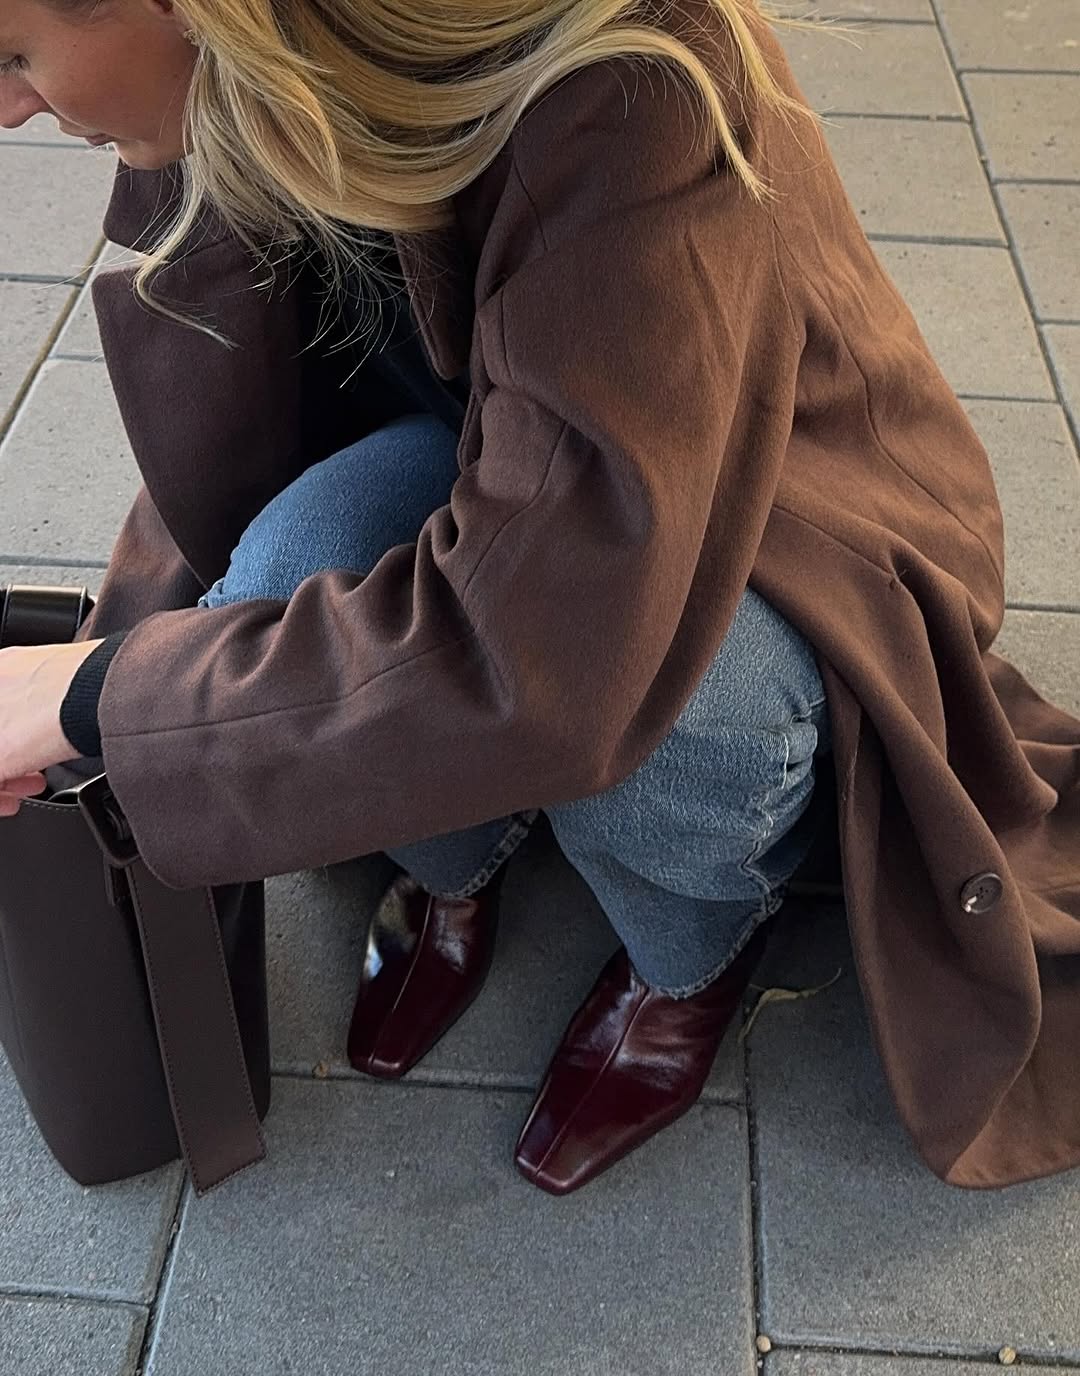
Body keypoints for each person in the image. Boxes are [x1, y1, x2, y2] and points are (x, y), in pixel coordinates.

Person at [1, 0, 1078, 1198]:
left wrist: (107, 698)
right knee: (270, 583)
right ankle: (451, 865)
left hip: (762, 506)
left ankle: (686, 957)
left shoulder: (633, 74)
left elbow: (552, 648)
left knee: (664, 717)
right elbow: (213, 454)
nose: (3, 106)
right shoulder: (249, 70)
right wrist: (118, 650)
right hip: (489, 454)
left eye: (12, 52)